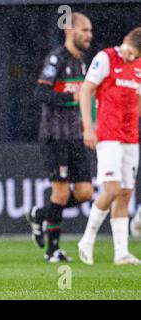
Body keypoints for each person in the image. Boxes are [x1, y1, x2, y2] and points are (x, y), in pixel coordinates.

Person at [26, 13, 94, 262]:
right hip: (55, 135)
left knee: (86, 192)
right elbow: (40, 92)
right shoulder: (57, 57)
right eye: (84, 30)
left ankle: (40, 214)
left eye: (90, 31)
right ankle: (52, 251)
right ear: (70, 31)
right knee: (62, 193)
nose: (89, 35)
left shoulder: (83, 62)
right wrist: (70, 98)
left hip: (76, 136)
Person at [78, 27, 141, 265]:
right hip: (108, 135)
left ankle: (121, 253)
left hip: (130, 137)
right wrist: (88, 127)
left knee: (125, 193)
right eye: (129, 52)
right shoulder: (105, 58)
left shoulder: (138, 66)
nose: (130, 58)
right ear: (124, 41)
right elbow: (86, 90)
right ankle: (87, 239)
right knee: (112, 190)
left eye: (135, 56)